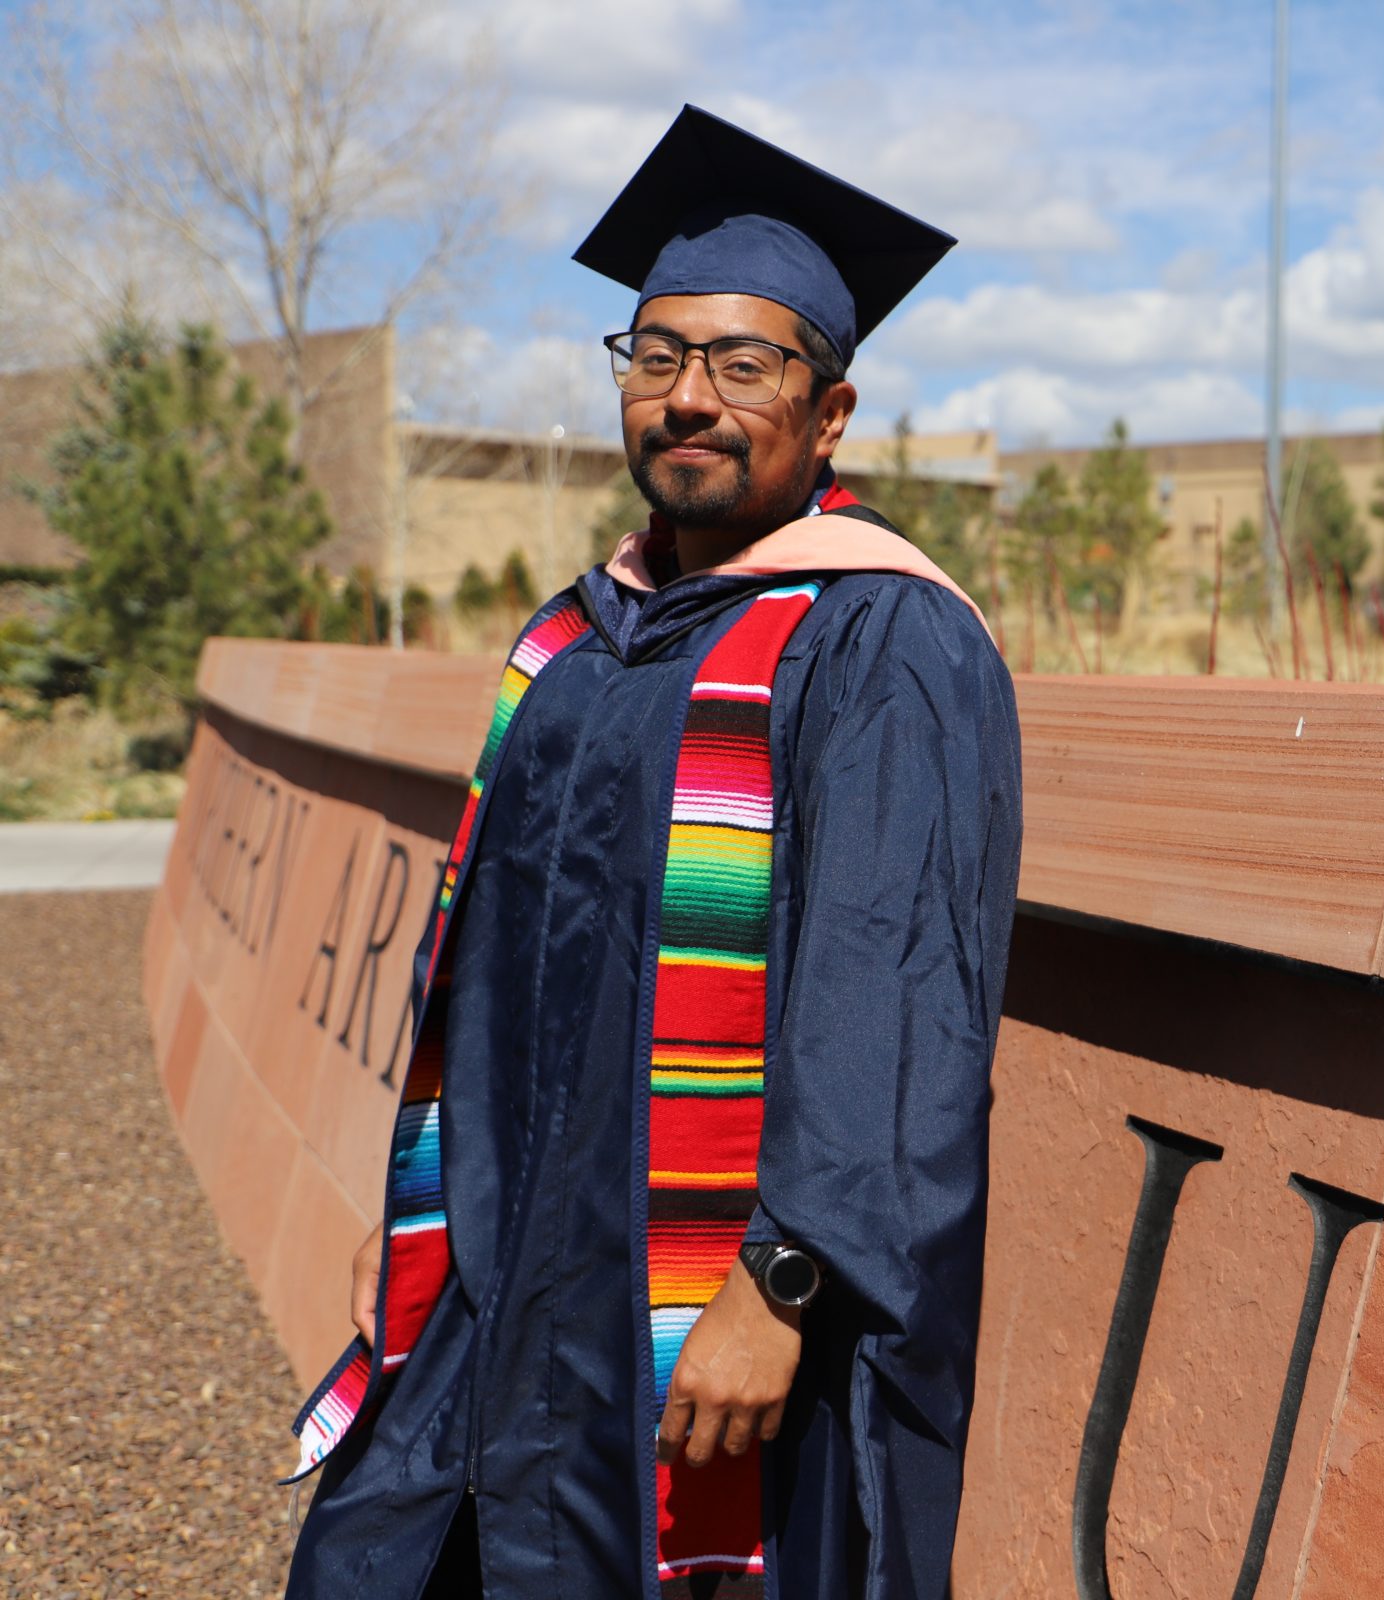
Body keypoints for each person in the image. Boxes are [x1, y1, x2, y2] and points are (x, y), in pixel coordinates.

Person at [282, 105, 1021, 1600]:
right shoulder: (574, 643)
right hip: (505, 1280)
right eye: (658, 357)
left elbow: (893, 989)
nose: (691, 398)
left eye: (745, 365)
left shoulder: (878, 639)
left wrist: (783, 1283)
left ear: (829, 414)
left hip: (708, 1317)